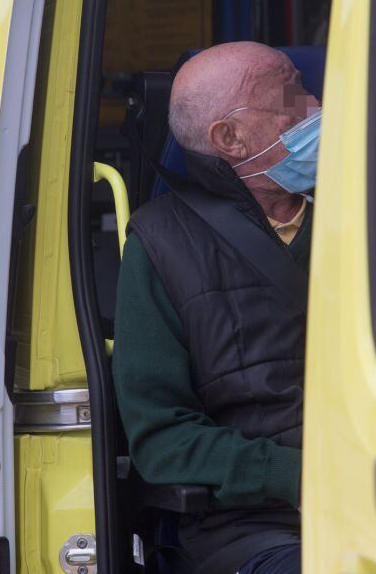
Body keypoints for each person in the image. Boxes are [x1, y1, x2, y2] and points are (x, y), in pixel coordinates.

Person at [113, 41, 320, 574]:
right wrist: (298, 477)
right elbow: (163, 439)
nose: (316, 105)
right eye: (291, 97)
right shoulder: (160, 244)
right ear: (230, 138)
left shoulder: (366, 210)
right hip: (253, 527)